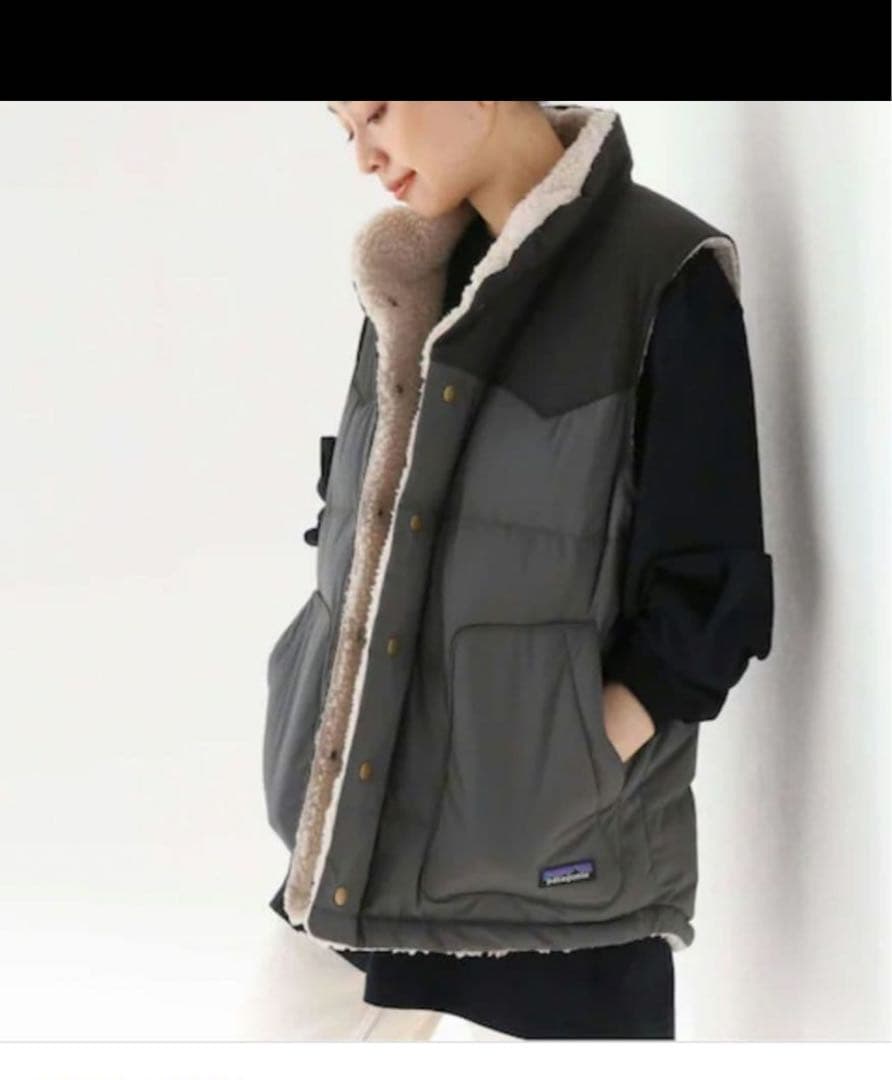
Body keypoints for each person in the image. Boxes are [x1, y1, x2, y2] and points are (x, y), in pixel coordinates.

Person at [260, 101, 774, 1041]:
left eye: (376, 112)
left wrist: (567, 763)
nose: (364, 156)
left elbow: (708, 595)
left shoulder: (661, 273)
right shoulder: (410, 276)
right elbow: (362, 527)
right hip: (356, 846)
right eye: (344, 128)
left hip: (553, 881)